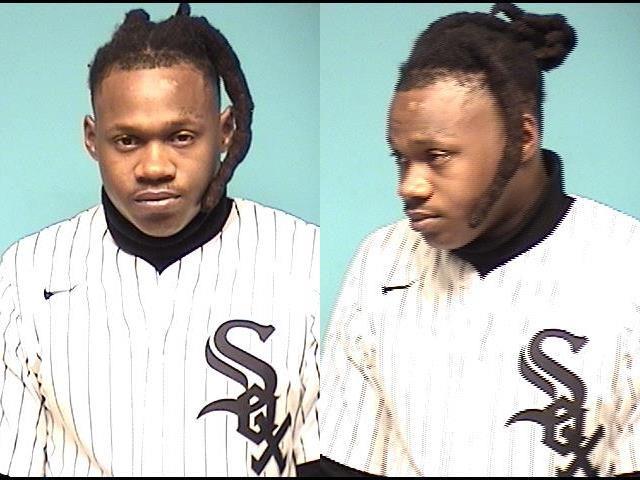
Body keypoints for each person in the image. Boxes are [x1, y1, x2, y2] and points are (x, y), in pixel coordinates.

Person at [320, 2, 640, 477]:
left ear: (523, 137)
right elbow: (341, 462)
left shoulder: (627, 263)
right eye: (401, 159)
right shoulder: (380, 260)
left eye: (437, 155)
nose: (410, 186)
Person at [0, 3, 319, 477]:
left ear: (225, 131)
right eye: (127, 140)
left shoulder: (302, 259)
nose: (154, 167)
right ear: (92, 139)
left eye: (181, 137)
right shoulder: (28, 273)